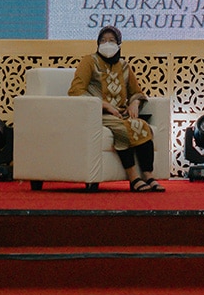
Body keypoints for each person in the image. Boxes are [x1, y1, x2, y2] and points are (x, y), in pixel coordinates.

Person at [67, 26, 165, 192]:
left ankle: (148, 176)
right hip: (98, 114)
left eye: (111, 41)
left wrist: (135, 103)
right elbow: (75, 91)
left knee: (142, 126)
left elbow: (137, 93)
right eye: (103, 41)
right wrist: (104, 105)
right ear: (97, 43)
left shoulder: (124, 66)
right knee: (122, 129)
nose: (107, 44)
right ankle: (133, 178)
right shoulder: (89, 62)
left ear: (119, 45)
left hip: (120, 114)